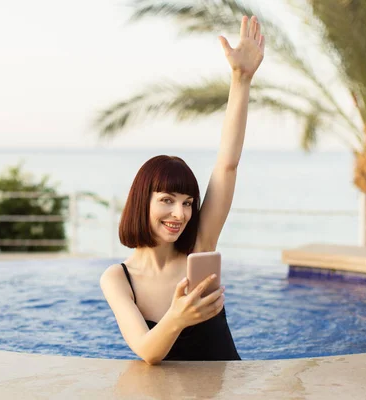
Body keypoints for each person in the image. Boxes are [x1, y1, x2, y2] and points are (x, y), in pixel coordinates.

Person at [100, 15, 265, 364]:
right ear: (140, 203)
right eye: (167, 200)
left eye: (188, 202)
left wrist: (241, 80)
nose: (181, 214)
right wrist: (179, 316)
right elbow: (147, 352)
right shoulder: (118, 278)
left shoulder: (199, 250)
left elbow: (227, 165)